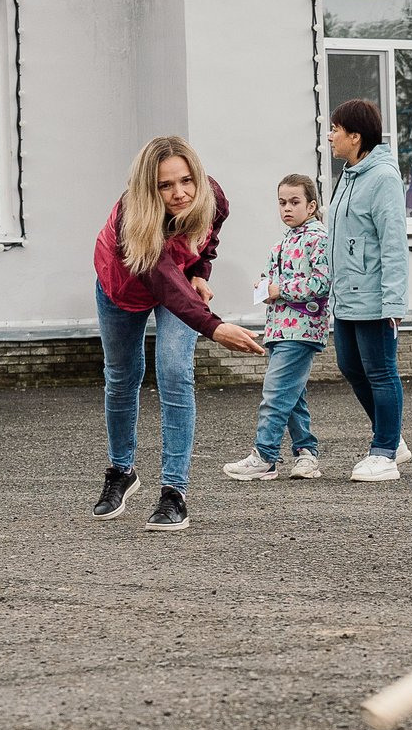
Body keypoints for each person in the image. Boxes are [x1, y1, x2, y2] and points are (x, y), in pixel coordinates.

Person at [90, 136, 266, 531]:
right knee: (122, 377)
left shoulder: (212, 197)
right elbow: (163, 279)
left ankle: (174, 493)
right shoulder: (132, 220)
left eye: (186, 180)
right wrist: (215, 326)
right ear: (147, 189)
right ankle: (121, 471)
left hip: (175, 285)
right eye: (165, 185)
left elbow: (207, 241)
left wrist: (199, 273)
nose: (180, 193)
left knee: (173, 371)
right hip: (121, 288)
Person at [223, 175, 333, 481]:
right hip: (280, 328)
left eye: (295, 202)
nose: (287, 208)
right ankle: (307, 456)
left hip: (303, 330)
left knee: (274, 393)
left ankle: (265, 456)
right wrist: (265, 286)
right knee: (292, 395)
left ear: (311, 206)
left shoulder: (318, 239)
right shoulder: (283, 242)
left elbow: (322, 283)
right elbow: (277, 284)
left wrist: (278, 288)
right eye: (282, 202)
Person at [326, 99, 412, 483]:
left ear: (355, 136)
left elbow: (393, 244)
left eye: (336, 129)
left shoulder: (383, 179)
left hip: (375, 298)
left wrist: (393, 303)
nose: (330, 136)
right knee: (350, 366)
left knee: (380, 371)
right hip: (346, 296)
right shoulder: (349, 175)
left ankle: (384, 453)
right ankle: (393, 437)